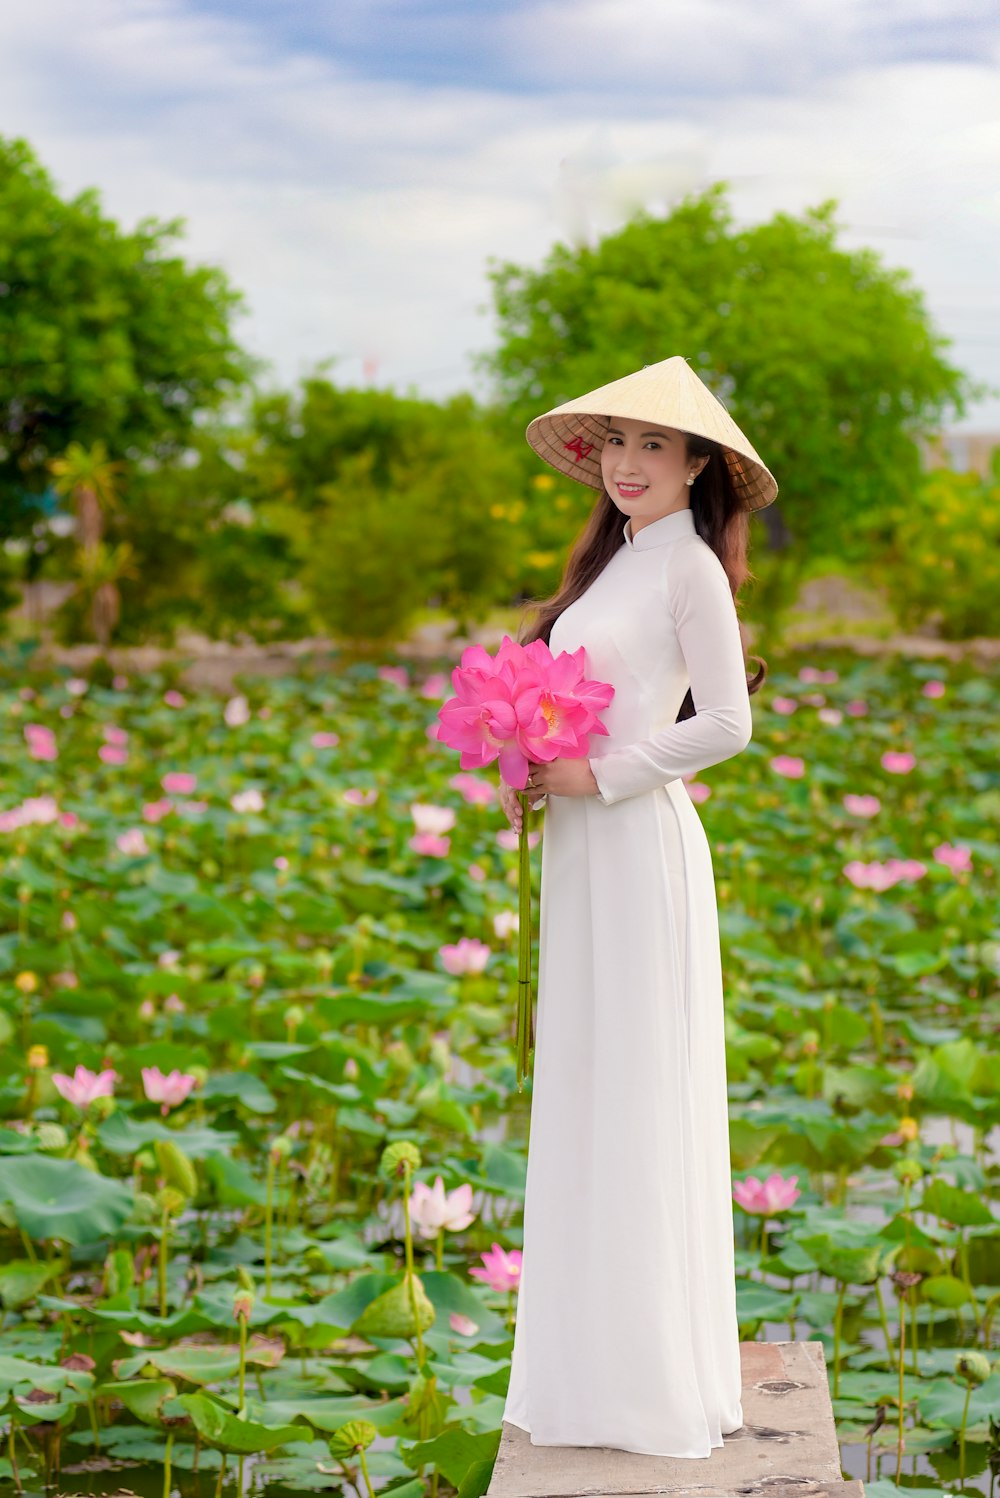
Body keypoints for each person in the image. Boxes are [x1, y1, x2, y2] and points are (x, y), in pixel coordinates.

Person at [497, 355, 778, 1459]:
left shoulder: (690, 569)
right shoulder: (610, 560)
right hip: (581, 849)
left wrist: (603, 775)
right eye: (615, 441)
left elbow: (726, 723)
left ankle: (645, 1381)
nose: (626, 463)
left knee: (636, 1086)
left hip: (637, 843)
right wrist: (528, 754)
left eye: (654, 446)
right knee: (587, 1079)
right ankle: (583, 1373)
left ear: (698, 462)